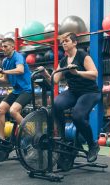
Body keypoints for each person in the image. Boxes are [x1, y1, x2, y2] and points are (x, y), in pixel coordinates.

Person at [38, 32, 101, 162]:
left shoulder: (83, 55)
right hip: (73, 92)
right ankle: (64, 139)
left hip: (89, 92)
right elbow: (54, 80)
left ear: (75, 42)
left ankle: (92, 145)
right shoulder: (63, 61)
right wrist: (44, 73)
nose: (64, 43)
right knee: (56, 104)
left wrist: (77, 72)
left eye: (67, 40)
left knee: (77, 116)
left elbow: (94, 74)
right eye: (62, 42)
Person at [0, 38, 32, 139]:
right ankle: (1, 138)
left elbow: (20, 70)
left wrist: (3, 72)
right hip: (16, 91)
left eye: (5, 46)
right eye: (2, 46)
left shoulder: (18, 56)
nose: (3, 48)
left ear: (12, 47)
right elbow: (5, 80)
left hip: (27, 90)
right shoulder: (5, 61)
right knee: (0, 110)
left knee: (13, 111)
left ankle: (32, 135)